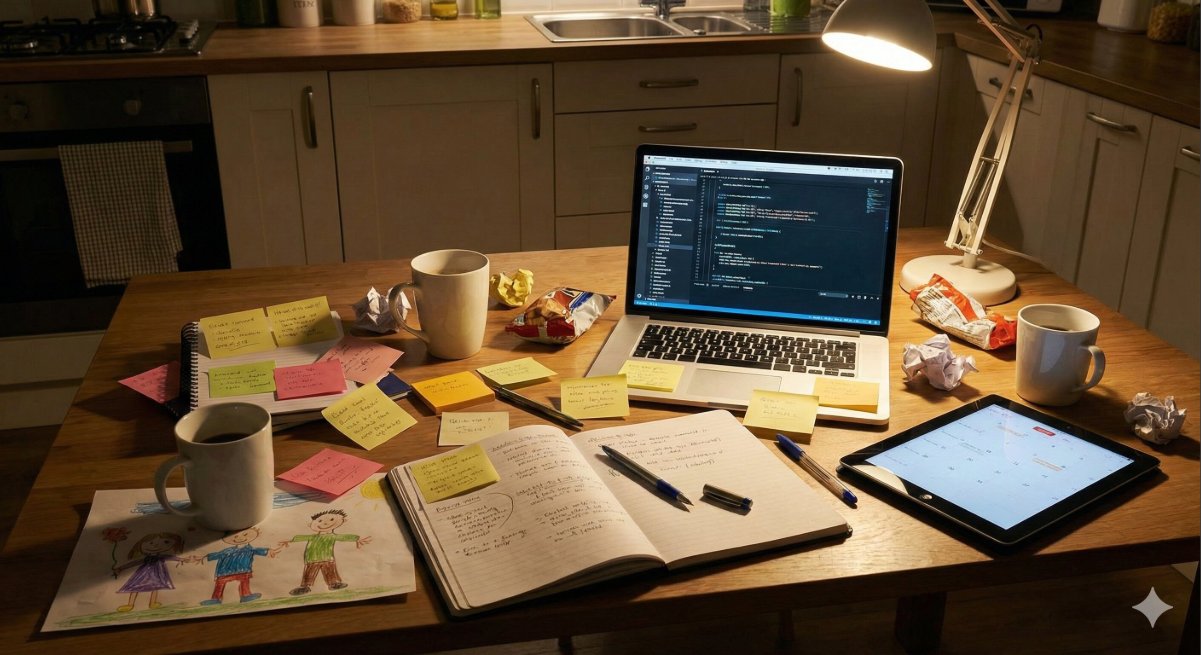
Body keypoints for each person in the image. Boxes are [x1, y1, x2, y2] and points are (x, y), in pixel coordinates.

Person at [277, 509, 371, 595]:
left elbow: (343, 537)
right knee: (309, 574)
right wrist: (289, 540)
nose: (325, 523)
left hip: (327, 558)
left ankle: (333, 584)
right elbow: (300, 537)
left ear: (343, 520)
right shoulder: (313, 537)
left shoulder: (331, 536)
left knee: (330, 572)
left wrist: (356, 539)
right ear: (311, 524)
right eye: (320, 521)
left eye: (331, 520)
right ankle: (305, 587)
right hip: (312, 559)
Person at [194, 526, 275, 605]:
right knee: (220, 585)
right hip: (225, 571)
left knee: (244, 582)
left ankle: (246, 596)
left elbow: (258, 550)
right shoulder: (228, 550)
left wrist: (268, 550)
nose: (239, 538)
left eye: (245, 535)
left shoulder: (249, 549)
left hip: (243, 570)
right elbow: (218, 554)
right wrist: (204, 557)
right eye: (235, 536)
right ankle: (215, 599)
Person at [112, 532, 185, 612]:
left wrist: (184, 559)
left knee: (155, 586)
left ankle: (152, 603)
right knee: (136, 586)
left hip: (157, 574)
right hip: (143, 574)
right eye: (151, 543)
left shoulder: (161, 557)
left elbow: (173, 557)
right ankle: (130, 604)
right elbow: (134, 563)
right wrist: (121, 568)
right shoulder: (147, 558)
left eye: (165, 542)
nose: (155, 545)